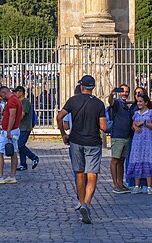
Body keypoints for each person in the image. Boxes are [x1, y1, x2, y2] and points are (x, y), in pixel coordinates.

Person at [57, 75, 107, 225]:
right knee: (92, 175)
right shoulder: (99, 104)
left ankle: (81, 202)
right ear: (93, 88)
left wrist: (63, 134)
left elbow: (59, 117)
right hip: (93, 142)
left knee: (79, 173)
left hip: (76, 141)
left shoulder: (73, 100)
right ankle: (86, 203)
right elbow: (104, 127)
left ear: (81, 86)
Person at [126, 91, 152, 194]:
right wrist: (135, 127)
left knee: (148, 160)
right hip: (138, 141)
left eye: (141, 101)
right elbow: (133, 124)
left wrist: (145, 123)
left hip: (148, 140)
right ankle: (137, 185)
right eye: (138, 102)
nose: (139, 104)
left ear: (146, 102)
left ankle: (149, 186)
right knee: (137, 160)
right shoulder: (136, 113)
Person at [0, 85, 21, 184]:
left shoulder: (11, 101)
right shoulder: (16, 99)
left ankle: (0, 175)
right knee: (14, 152)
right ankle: (12, 175)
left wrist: (8, 130)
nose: (2, 98)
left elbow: (12, 115)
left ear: (4, 93)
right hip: (14, 129)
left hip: (9, 130)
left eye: (1, 96)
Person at [108, 84, 133, 193]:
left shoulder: (125, 105)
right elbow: (110, 102)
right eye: (122, 91)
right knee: (115, 160)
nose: (124, 93)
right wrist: (112, 93)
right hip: (117, 136)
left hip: (125, 136)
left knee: (121, 161)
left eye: (127, 91)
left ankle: (120, 183)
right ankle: (115, 184)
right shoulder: (117, 103)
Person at [14, 85, 40, 171]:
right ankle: (23, 164)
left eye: (16, 92)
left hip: (24, 127)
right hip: (19, 127)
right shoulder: (18, 102)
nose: (15, 93)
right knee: (21, 145)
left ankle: (34, 157)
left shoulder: (25, 102)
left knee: (21, 145)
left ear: (21, 92)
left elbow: (22, 114)